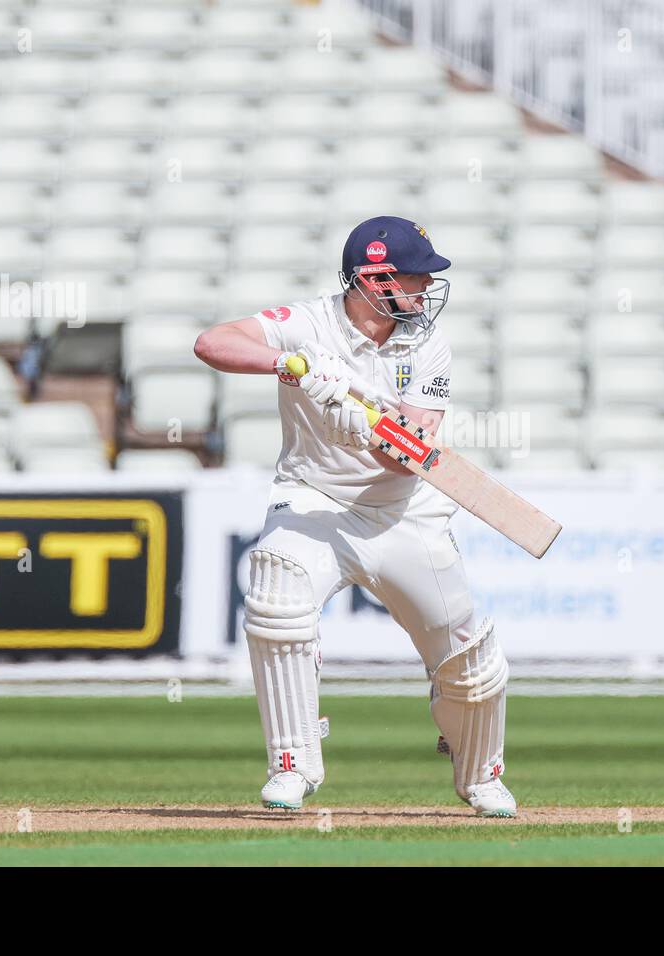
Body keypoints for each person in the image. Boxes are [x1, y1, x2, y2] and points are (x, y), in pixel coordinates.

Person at [193, 216, 515, 817]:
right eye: (415, 279)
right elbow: (212, 342)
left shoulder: (427, 344)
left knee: (468, 657)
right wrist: (294, 367)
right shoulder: (307, 324)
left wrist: (360, 426)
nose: (424, 292)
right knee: (276, 593)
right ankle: (292, 763)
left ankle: (480, 775)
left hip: (402, 513)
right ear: (373, 279)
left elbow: (411, 454)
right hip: (313, 498)